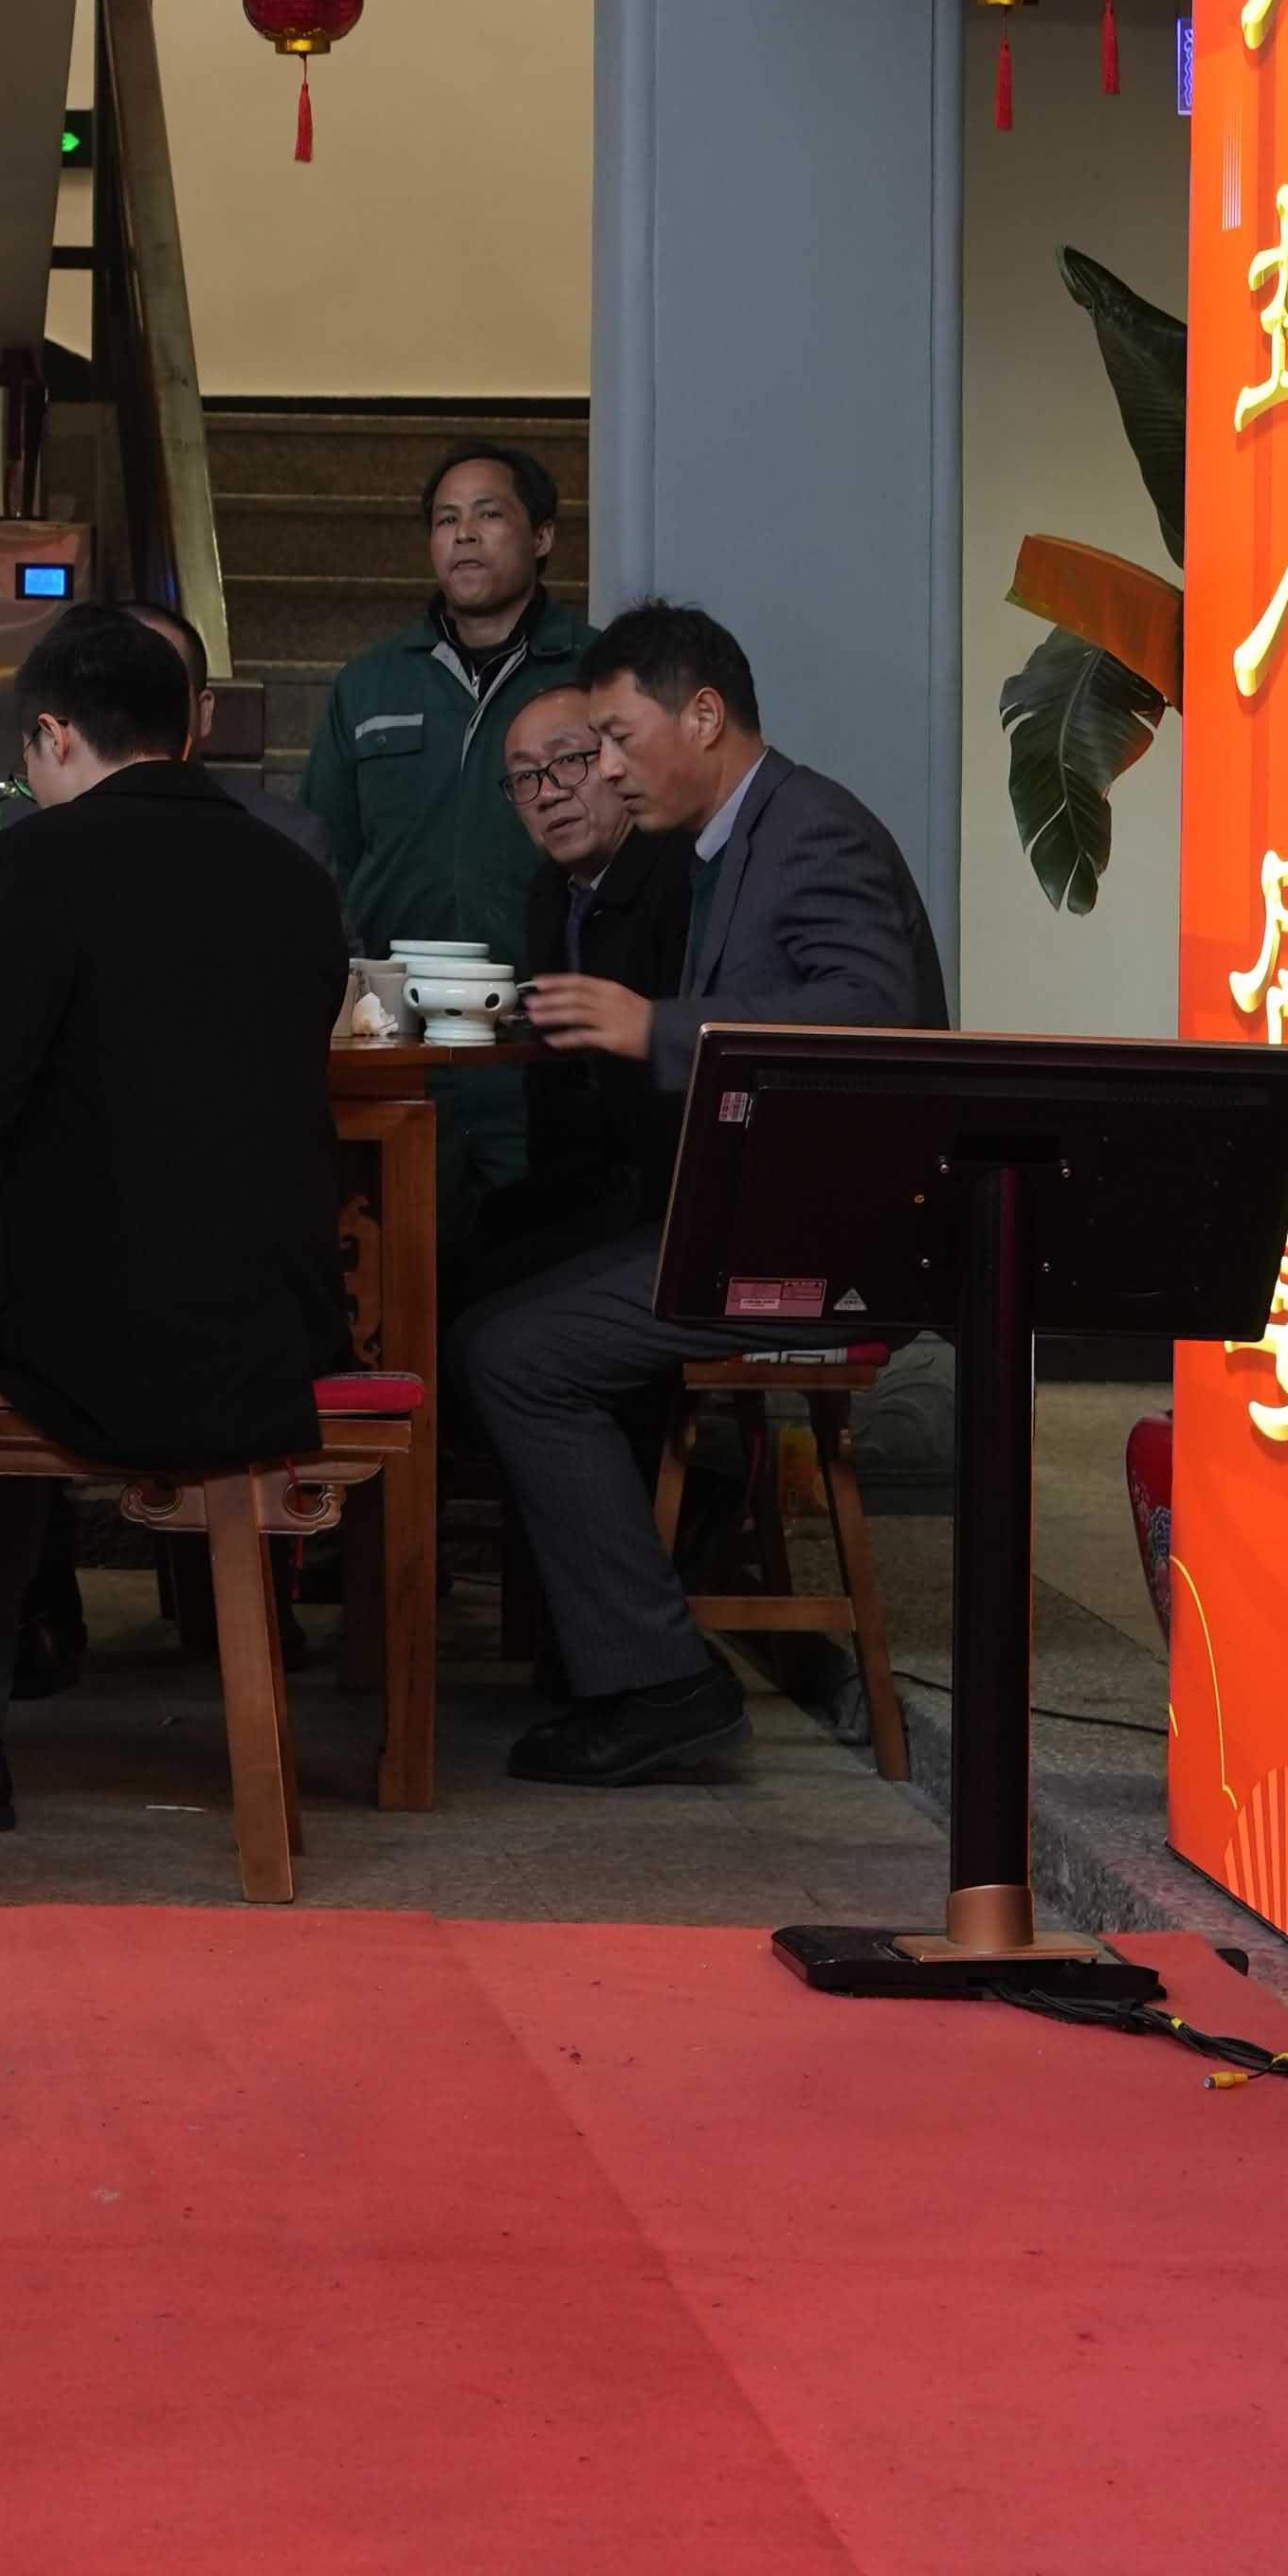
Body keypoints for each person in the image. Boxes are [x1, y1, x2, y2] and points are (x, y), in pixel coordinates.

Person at [457, 598, 946, 1787]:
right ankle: (623, 1636)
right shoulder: (740, 837)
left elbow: (872, 1019)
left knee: (514, 1355)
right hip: (761, 1219)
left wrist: (654, 1026)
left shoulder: (809, 831)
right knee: (488, 1315)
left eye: (618, 741)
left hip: (827, 1244)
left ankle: (659, 1683)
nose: (608, 772)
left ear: (704, 715)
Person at [0, 602, 350, 1831]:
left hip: (108, 1330)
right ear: (182, 726)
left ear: (52, 735)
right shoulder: (295, 876)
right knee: (9, 1270)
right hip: (282, 1326)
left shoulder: (41, 860)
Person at [297, 445, 590, 964]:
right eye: (446, 519)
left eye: (489, 514)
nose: (464, 534)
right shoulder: (370, 681)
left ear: (542, 536)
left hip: (549, 987)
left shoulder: (595, 671)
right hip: (390, 990)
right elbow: (322, 845)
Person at [459, 685, 700, 1282]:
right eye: (524, 778)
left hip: (668, 1195)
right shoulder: (549, 892)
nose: (548, 793)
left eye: (569, 760)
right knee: (442, 1260)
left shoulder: (681, 874)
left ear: (618, 762)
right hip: (577, 1185)